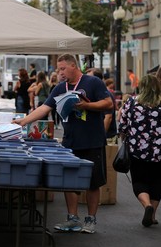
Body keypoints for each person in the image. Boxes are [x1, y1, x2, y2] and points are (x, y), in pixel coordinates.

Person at [14, 54, 113, 234]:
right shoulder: (60, 88)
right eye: (58, 69)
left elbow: (108, 104)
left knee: (93, 182)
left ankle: (90, 220)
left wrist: (87, 106)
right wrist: (23, 121)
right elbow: (45, 107)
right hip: (70, 141)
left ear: (73, 66)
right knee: (69, 180)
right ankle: (72, 218)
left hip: (92, 140)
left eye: (62, 69)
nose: (59, 73)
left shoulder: (93, 83)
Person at [118, 74, 161, 227]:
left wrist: (124, 137)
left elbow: (122, 125)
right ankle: (153, 215)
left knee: (139, 181)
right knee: (157, 181)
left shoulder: (132, 102)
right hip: (158, 152)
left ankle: (147, 206)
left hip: (137, 150)